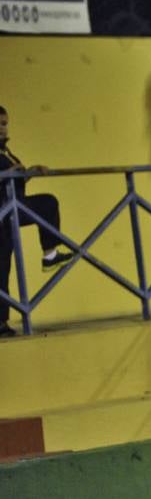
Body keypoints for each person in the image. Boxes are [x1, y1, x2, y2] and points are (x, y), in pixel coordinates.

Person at [1, 105, 76, 338]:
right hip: (3, 210)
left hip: (14, 207)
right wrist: (10, 172)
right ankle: (0, 323)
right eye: (0, 124)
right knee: (1, 266)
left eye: (5, 124)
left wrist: (30, 170)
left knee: (47, 203)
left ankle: (50, 253)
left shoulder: (5, 151)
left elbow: (15, 177)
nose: (3, 128)